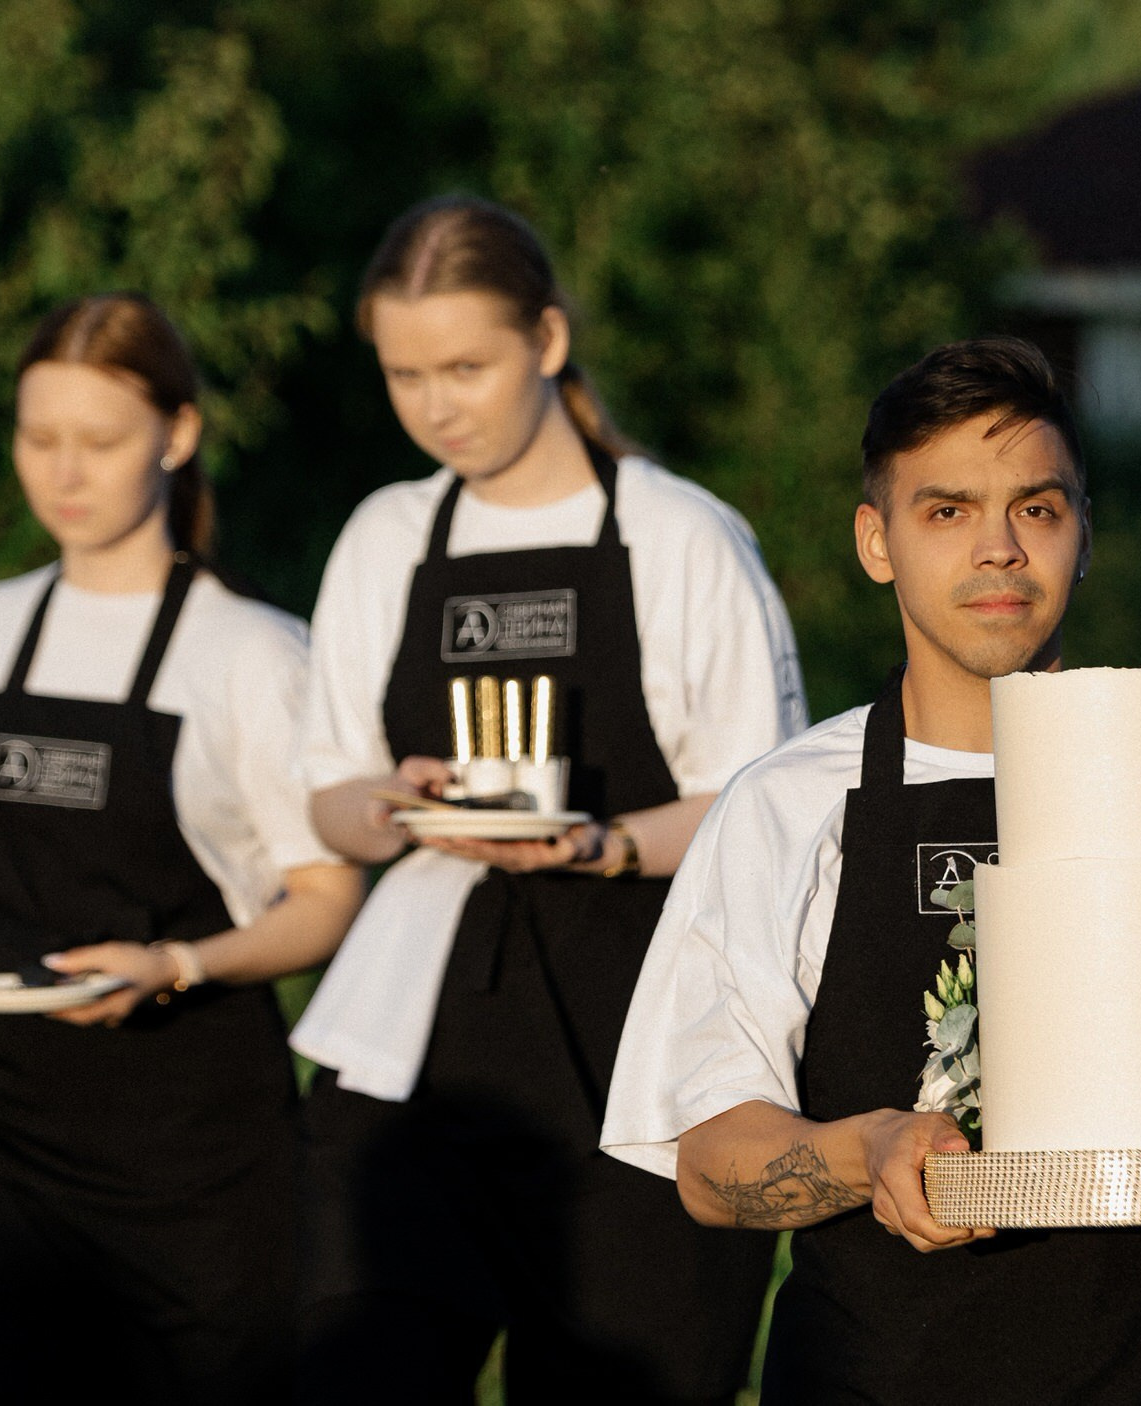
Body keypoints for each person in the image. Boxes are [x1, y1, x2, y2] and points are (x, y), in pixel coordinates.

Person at [600, 336, 1141, 1404]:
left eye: (1037, 509)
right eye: (947, 510)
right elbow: (710, 1164)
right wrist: (868, 1151)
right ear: (876, 540)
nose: (998, 549)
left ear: (1085, 534)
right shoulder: (789, 805)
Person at [0, 293, 364, 1403]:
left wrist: (173, 965)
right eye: (39, 439)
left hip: (189, 1153)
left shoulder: (251, 652)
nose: (64, 472)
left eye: (100, 440)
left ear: (177, 437)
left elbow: (328, 899)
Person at [290, 195, 805, 1402]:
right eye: (403, 372)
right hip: (415, 1053)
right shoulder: (387, 536)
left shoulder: (681, 537)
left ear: (551, 342)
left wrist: (601, 841)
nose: (435, 404)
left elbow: (755, 803)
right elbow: (328, 790)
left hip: (644, 1048)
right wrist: (387, 807)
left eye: (465, 366)